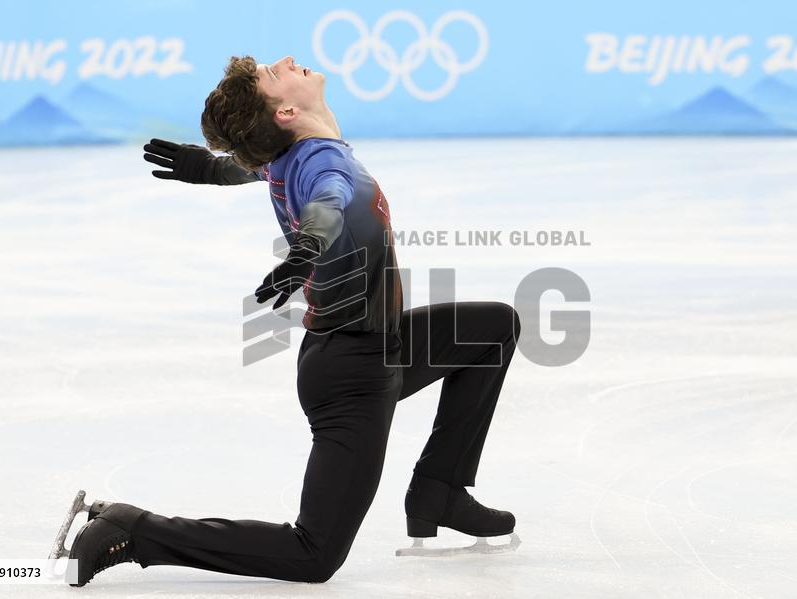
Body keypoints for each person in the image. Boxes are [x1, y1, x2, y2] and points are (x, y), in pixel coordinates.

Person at [58, 55, 522, 586]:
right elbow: (330, 200)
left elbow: (254, 166)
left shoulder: (291, 155)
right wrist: (307, 244)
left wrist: (209, 167)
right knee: (314, 554)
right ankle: (136, 530)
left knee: (494, 329)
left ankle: (440, 491)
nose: (285, 62)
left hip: (380, 346)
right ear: (284, 111)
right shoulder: (322, 160)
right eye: (272, 74)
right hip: (352, 375)